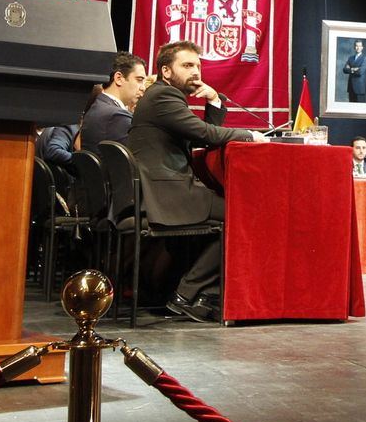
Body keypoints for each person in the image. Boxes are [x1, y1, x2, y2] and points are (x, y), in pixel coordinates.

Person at [124, 39, 265, 324]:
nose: (196, 72)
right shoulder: (163, 97)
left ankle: (197, 294)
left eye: (198, 66)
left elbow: (203, 133)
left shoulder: (165, 96)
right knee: (244, 216)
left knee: (233, 212)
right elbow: (206, 134)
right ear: (166, 71)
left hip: (164, 189)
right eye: (187, 66)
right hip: (167, 193)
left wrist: (213, 99)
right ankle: (189, 295)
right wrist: (250, 135)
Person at [81, 52, 149, 144]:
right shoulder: (116, 116)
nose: (143, 88)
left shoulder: (99, 105)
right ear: (119, 78)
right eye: (139, 80)